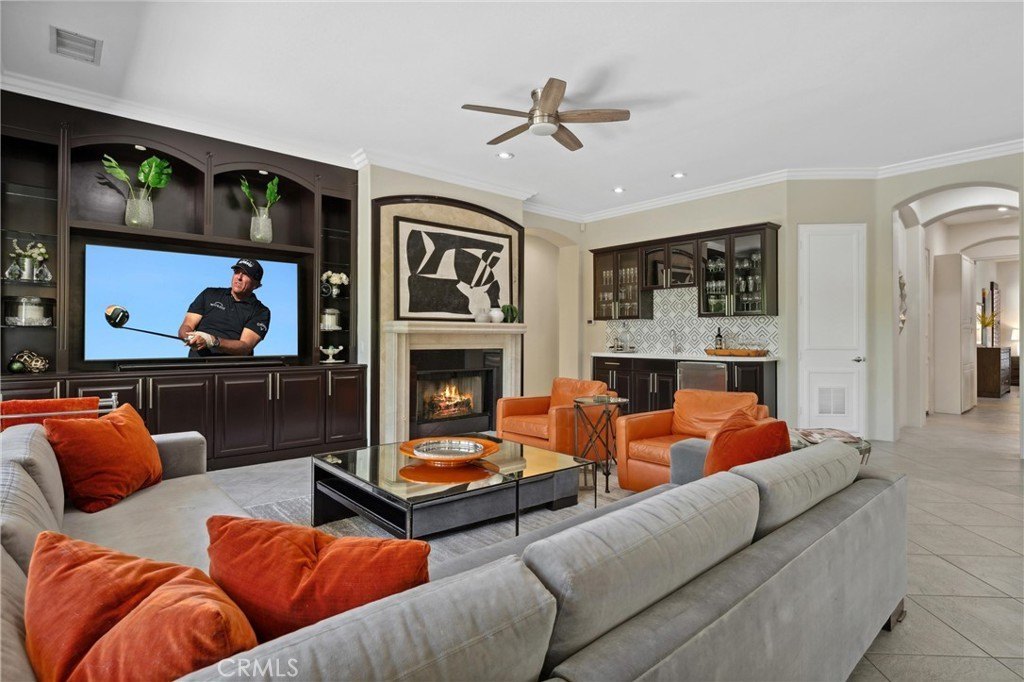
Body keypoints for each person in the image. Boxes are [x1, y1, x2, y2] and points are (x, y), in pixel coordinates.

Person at [178, 258, 271, 357]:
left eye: (245, 274)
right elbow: (187, 325)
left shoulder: (261, 312)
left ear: (256, 284)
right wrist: (189, 337)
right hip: (197, 365)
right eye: (236, 272)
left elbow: (245, 347)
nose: (239, 277)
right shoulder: (209, 294)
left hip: (230, 366)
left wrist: (213, 341)